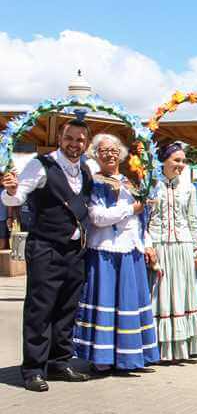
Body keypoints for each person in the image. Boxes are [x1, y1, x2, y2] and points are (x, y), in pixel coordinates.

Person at [2, 119, 94, 391]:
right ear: (60, 138)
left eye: (80, 140)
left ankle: (60, 361)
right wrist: (9, 190)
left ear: (86, 143)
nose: (74, 144)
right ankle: (33, 369)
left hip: (75, 251)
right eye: (70, 138)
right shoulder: (40, 165)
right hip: (46, 247)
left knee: (67, 307)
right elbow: (17, 197)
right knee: (40, 308)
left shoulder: (86, 171)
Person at [73, 133, 160, 372]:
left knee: (129, 303)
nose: (110, 154)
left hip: (130, 250)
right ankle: (102, 359)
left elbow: (142, 219)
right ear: (95, 155)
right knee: (106, 302)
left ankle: (129, 357)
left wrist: (148, 243)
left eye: (114, 150)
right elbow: (98, 217)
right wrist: (131, 207)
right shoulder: (93, 182)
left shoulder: (130, 182)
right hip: (105, 251)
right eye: (104, 151)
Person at [148, 143, 197, 362]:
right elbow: (146, 219)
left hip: (182, 246)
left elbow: (192, 221)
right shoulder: (152, 186)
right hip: (159, 246)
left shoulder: (189, 188)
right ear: (163, 161)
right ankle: (157, 347)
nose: (181, 165)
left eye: (183, 161)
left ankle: (180, 348)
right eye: (176, 160)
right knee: (160, 295)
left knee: (182, 294)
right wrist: (148, 246)